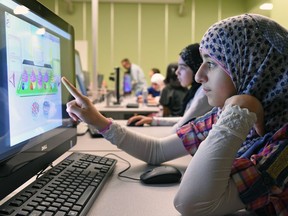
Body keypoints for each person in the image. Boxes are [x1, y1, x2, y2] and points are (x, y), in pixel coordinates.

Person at [62, 13, 288, 216]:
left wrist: (238, 110)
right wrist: (97, 121)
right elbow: (157, 151)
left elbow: (192, 204)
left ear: (252, 67)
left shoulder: (280, 143)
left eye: (211, 63)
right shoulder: (222, 114)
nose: (199, 76)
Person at [127, 43, 212, 131]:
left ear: (197, 68)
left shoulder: (204, 93)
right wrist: (153, 121)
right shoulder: (195, 91)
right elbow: (184, 120)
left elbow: (181, 126)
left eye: (182, 67)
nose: (177, 72)